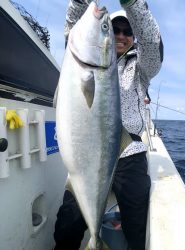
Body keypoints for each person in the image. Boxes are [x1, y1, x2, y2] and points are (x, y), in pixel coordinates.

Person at [53, 0, 163, 249]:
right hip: (86, 154)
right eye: (113, 30)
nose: (121, 36)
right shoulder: (77, 53)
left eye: (127, 31)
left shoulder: (141, 68)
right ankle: (91, 239)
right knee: (67, 226)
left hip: (129, 152)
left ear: (134, 37)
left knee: (137, 222)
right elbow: (73, 24)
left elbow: (152, 46)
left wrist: (133, 5)